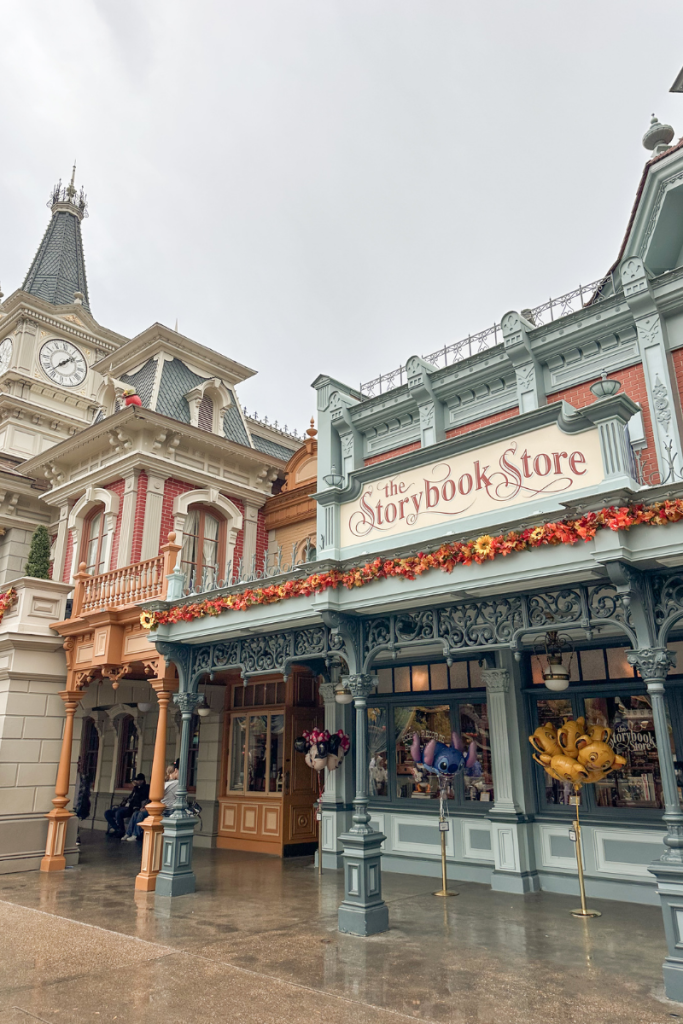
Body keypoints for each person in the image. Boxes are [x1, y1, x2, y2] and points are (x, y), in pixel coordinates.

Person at [126, 765, 179, 842]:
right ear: (175, 771)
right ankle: (129, 833)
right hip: (160, 808)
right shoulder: (172, 783)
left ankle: (135, 834)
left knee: (140, 814)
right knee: (136, 813)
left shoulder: (165, 784)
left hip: (162, 809)